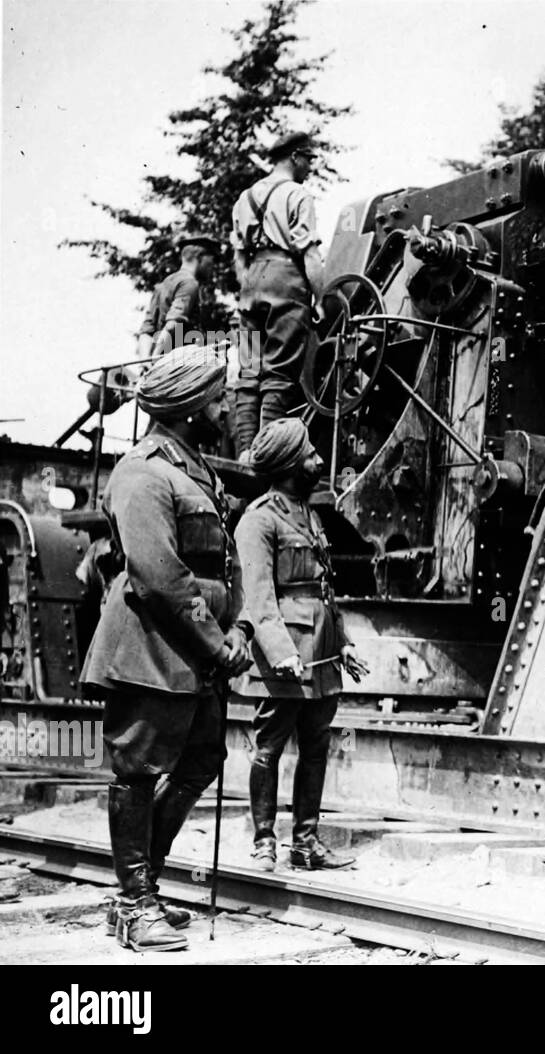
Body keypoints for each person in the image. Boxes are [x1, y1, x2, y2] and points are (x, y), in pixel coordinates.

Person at [80, 347, 253, 952]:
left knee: (202, 759)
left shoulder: (192, 468)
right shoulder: (143, 471)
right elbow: (159, 577)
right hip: (151, 650)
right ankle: (133, 901)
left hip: (194, 654)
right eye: (217, 395)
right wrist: (216, 640)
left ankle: (140, 888)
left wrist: (235, 634)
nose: (225, 404)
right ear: (188, 406)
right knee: (137, 769)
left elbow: (218, 565)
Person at [234, 417, 367, 871]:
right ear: (291, 463)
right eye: (310, 454)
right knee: (268, 746)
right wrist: (280, 651)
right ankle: (264, 841)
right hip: (285, 655)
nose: (319, 460)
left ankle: (306, 843)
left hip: (322, 653)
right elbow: (257, 594)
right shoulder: (259, 520)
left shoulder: (309, 515)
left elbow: (324, 590)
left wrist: (343, 643)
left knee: (316, 747)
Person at [229, 132, 325, 457]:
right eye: (309, 159)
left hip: (252, 280)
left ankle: (244, 452)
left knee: (249, 369)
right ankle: (265, 453)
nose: (311, 167)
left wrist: (250, 287)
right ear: (295, 157)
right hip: (286, 276)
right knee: (279, 371)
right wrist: (321, 299)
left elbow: (239, 257)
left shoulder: (245, 198)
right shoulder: (298, 195)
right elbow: (310, 255)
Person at [137, 234, 221, 359]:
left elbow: (147, 329)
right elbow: (173, 323)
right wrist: (155, 358)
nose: (213, 267)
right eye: (212, 261)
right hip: (179, 363)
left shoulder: (165, 283)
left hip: (163, 364)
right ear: (200, 257)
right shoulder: (190, 283)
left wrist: (145, 362)